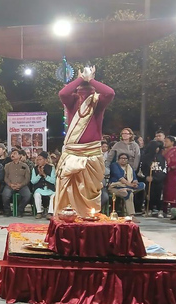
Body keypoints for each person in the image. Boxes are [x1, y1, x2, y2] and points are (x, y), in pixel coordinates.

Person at [55, 66, 115, 216]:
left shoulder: (97, 101)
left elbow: (110, 92)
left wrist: (91, 80)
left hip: (92, 154)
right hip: (72, 154)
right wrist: (81, 78)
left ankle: (89, 217)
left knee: (90, 190)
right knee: (68, 190)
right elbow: (63, 93)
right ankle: (68, 217)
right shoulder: (72, 100)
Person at [141, 140, 167, 217]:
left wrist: (157, 178)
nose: (157, 149)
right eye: (156, 147)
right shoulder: (145, 158)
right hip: (149, 181)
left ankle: (160, 210)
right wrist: (146, 177)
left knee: (160, 195)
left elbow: (164, 169)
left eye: (158, 148)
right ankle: (149, 209)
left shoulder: (162, 158)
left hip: (159, 181)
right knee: (149, 195)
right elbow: (142, 169)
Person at [3, 149, 32, 217]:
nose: (12, 155)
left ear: (20, 156)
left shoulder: (25, 166)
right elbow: (5, 177)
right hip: (10, 185)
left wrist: (21, 185)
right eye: (12, 154)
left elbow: (27, 178)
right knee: (5, 195)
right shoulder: (7, 166)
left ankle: (20, 210)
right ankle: (7, 211)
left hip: (22, 185)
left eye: (15, 153)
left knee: (27, 195)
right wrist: (10, 184)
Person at [31, 151, 56, 219]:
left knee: (54, 195)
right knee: (37, 194)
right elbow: (33, 181)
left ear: (45, 160)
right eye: (38, 159)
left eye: (40, 159)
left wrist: (44, 175)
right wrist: (39, 175)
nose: (38, 161)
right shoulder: (35, 169)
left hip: (49, 188)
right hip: (40, 188)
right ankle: (39, 212)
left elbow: (53, 181)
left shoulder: (51, 168)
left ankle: (50, 213)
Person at [163, 136, 176, 213]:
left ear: (172, 142)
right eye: (164, 141)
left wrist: (171, 167)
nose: (165, 143)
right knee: (165, 191)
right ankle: (165, 209)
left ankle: (175, 209)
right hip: (165, 174)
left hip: (174, 174)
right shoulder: (163, 151)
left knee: (174, 192)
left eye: (167, 141)